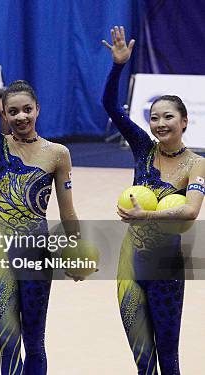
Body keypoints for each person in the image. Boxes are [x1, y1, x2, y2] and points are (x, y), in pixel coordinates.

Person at [0, 24, 81, 374]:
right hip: (1, 249)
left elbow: (67, 211)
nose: (21, 117)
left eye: (27, 109)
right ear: (5, 116)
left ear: (37, 109)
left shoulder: (57, 154)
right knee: (8, 339)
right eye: (13, 112)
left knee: (34, 340)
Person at [103, 25, 205, 375]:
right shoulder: (143, 150)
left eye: (168, 117)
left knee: (169, 359)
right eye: (154, 117)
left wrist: (144, 218)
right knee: (143, 361)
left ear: (185, 121)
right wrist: (118, 66)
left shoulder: (196, 164)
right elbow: (111, 107)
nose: (160, 123)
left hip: (166, 268)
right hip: (130, 265)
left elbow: (191, 211)